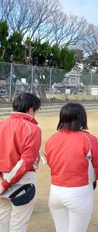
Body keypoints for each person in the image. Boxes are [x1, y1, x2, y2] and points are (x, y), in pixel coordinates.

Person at [45, 103, 98, 232]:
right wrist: (92, 181)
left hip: (55, 190)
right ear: (82, 118)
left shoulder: (52, 139)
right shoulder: (88, 139)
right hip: (79, 191)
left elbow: (50, 162)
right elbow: (97, 166)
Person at [0, 92, 42, 232]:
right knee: (19, 222)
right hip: (22, 180)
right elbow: (26, 161)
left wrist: (2, 180)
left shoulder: (1, 125)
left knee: (2, 220)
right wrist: (7, 183)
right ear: (31, 109)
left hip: (1, 179)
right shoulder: (33, 129)